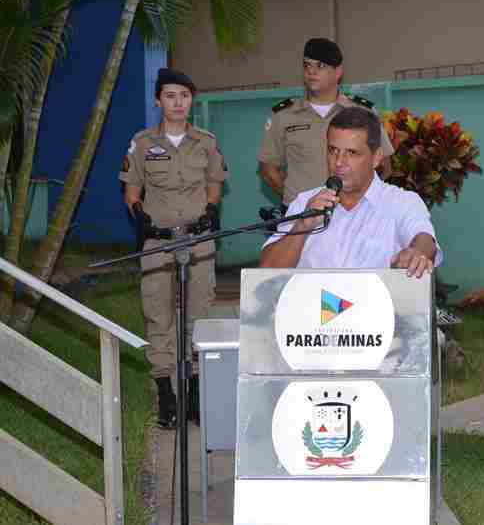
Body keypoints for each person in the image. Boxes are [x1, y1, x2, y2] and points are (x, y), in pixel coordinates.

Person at [120, 68, 228, 429]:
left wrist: (211, 209)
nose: (178, 103)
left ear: (191, 100)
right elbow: (132, 189)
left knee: (199, 315)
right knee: (158, 314)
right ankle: (166, 390)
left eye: (184, 96)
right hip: (158, 240)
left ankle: (195, 389)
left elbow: (214, 183)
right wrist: (139, 215)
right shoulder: (142, 143)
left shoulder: (206, 142)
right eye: (170, 96)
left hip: (197, 239)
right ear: (158, 101)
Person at [260, 106, 440, 277]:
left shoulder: (401, 202)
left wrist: (418, 252)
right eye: (333, 150)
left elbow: (424, 238)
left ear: (376, 158)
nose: (339, 162)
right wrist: (302, 227)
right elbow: (266, 272)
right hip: (311, 299)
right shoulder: (305, 202)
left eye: (352, 153)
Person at [257, 37, 394, 214]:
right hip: (301, 216)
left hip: (352, 214)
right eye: (307, 65)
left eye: (320, 66)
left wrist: (359, 200)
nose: (311, 71)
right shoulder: (283, 115)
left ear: (338, 72)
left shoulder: (362, 112)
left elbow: (383, 166)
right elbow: (269, 171)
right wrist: (298, 201)